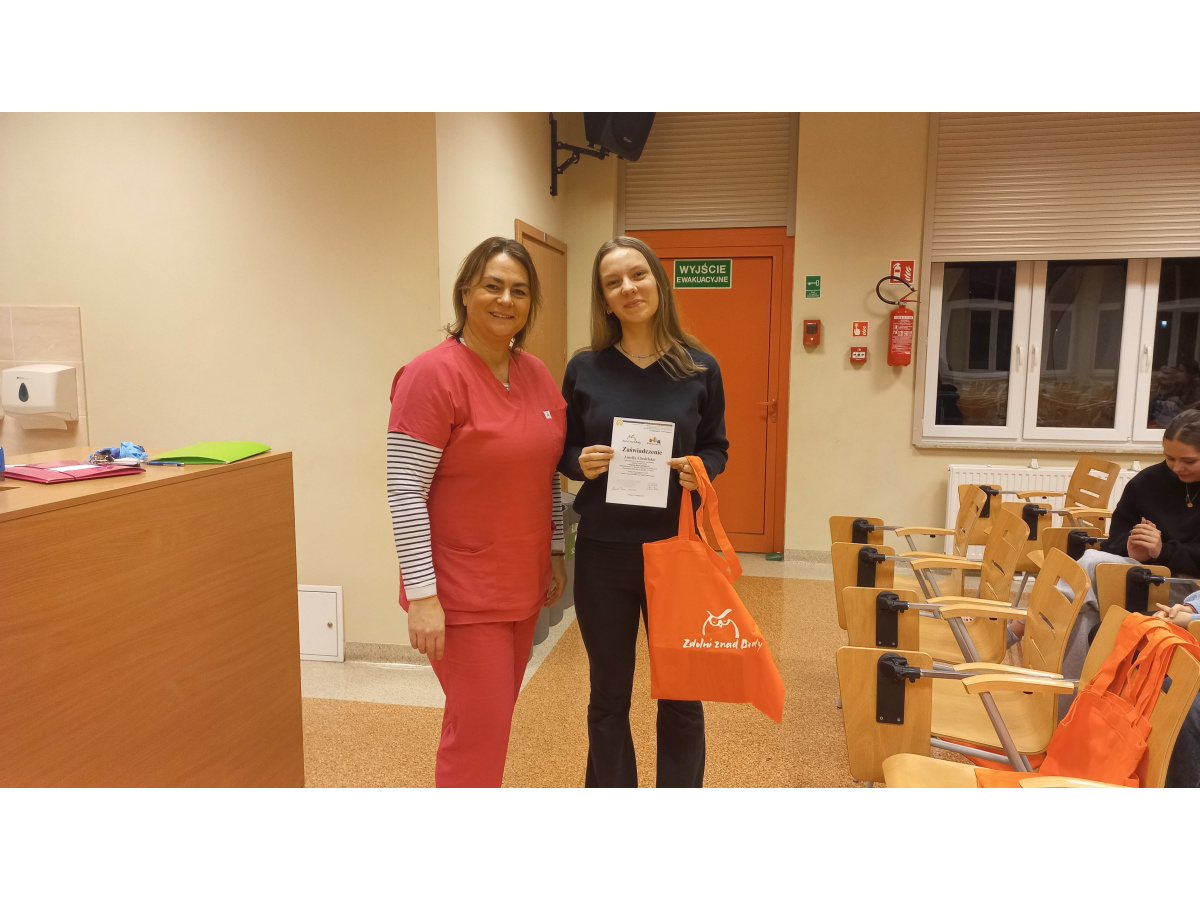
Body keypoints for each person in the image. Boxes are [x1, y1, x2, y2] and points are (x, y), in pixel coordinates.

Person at [386, 236, 567, 788]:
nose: (506, 300)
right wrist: (423, 596)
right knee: (480, 731)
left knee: (490, 724)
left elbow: (548, 471)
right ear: (466, 292)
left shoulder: (536, 373)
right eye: (493, 286)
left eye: (519, 290)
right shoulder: (432, 375)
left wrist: (556, 549)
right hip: (459, 593)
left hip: (522, 582)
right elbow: (405, 489)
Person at [558, 235, 729, 788]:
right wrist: (579, 462)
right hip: (603, 555)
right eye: (613, 282)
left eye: (638, 275)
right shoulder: (585, 368)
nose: (628, 288)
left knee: (681, 693)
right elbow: (563, 449)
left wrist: (699, 469)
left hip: (675, 550)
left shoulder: (700, 368)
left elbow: (717, 447)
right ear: (604, 299)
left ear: (658, 281)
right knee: (608, 696)